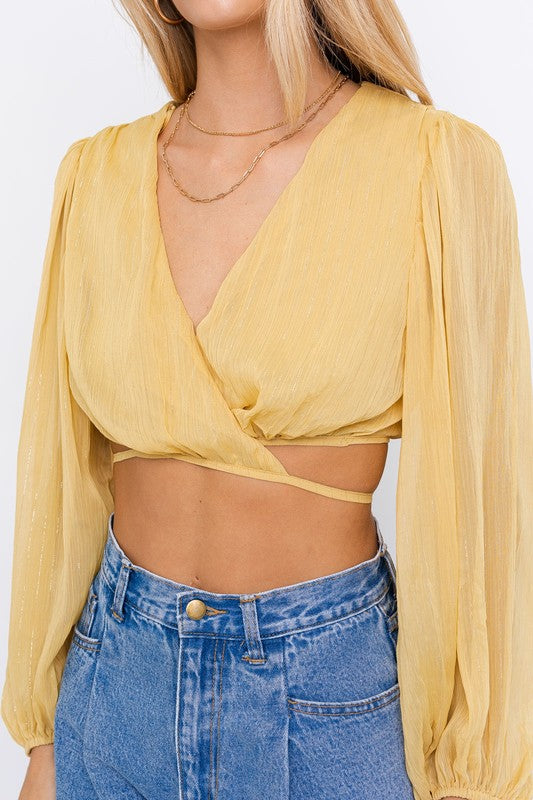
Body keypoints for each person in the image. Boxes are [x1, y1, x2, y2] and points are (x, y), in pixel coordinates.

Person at [3, 0, 532, 798]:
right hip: (113, 690)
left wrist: (477, 772)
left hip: (326, 701)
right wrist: (44, 740)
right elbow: (59, 471)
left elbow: (483, 496)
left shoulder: (432, 164)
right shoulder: (95, 175)